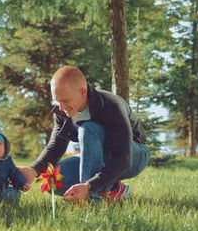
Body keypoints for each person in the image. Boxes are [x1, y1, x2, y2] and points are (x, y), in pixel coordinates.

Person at [19, 65, 149, 203]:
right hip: (98, 159)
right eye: (58, 101)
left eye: (65, 101)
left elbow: (123, 158)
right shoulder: (62, 111)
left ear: (83, 92)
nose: (61, 107)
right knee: (52, 179)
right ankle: (113, 189)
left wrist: (89, 187)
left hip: (133, 155)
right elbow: (56, 147)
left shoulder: (111, 105)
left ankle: (91, 200)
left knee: (88, 128)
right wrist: (33, 170)